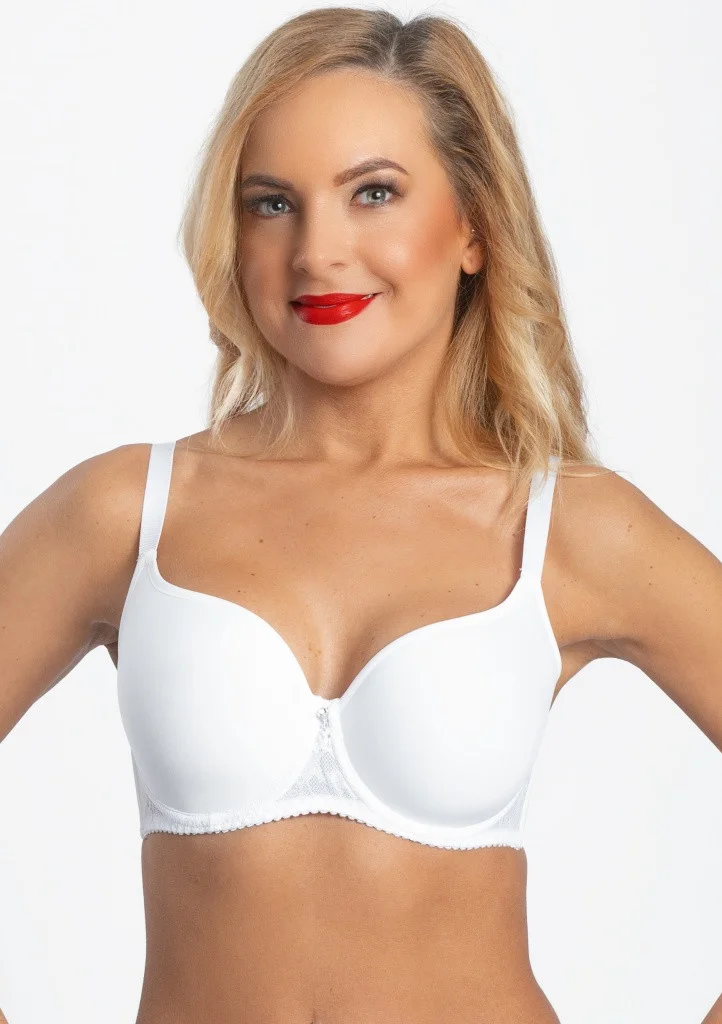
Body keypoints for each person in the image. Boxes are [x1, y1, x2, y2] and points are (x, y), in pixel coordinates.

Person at [1, 7, 721, 1024]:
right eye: (271, 204)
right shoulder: (127, 511)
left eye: (372, 193)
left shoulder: (565, 528)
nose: (317, 251)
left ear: (472, 227)